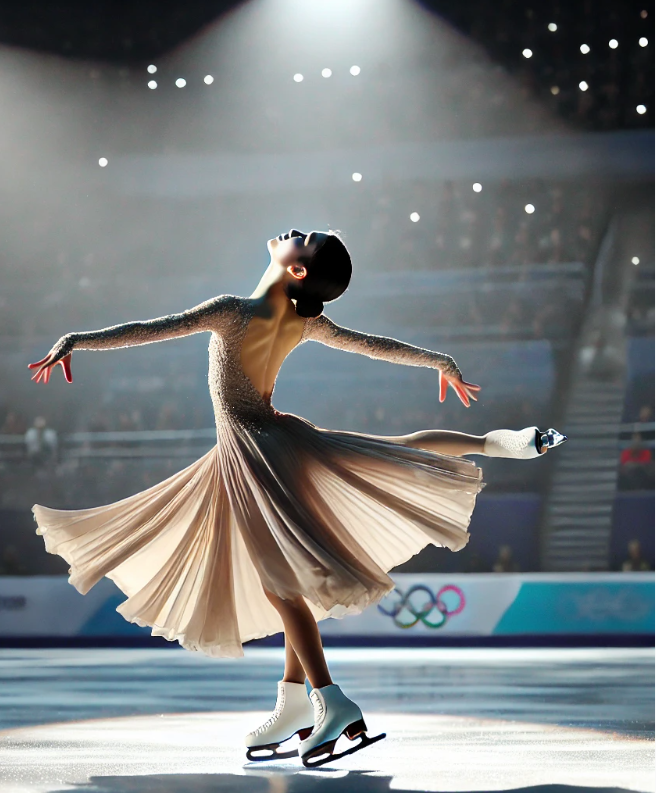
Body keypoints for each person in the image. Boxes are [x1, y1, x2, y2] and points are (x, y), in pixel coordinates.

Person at [28, 228, 567, 767]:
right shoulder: (304, 321)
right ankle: (293, 701)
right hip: (275, 442)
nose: (293, 233)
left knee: (285, 587)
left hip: (252, 453)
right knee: (382, 461)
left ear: (298, 270)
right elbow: (374, 346)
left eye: (303, 241)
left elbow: (150, 330)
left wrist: (79, 338)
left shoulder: (231, 311)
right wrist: (438, 359)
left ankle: (329, 699)